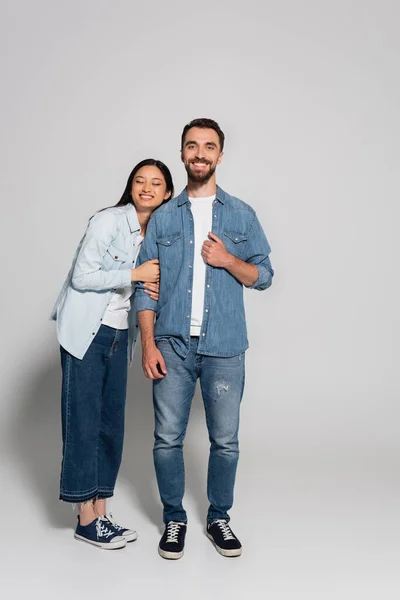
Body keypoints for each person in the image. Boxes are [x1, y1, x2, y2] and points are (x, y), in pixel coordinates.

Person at [135, 119, 274, 559]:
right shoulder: (163, 217)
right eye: (192, 146)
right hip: (172, 346)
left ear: (219, 155)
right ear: (181, 154)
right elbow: (143, 286)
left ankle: (218, 517)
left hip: (225, 347)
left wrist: (229, 259)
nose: (200, 153)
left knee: (226, 440)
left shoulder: (241, 215)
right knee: (166, 439)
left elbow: (264, 276)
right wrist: (149, 343)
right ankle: (174, 518)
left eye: (208, 147)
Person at [50, 159, 174, 549]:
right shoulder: (108, 221)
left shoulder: (157, 233)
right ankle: (85, 518)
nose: (147, 188)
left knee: (110, 426)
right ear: (131, 186)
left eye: (156, 183)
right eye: (140, 181)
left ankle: (100, 512)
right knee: (83, 423)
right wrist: (134, 275)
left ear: (168, 193)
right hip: (87, 332)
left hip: (121, 335)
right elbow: (81, 277)